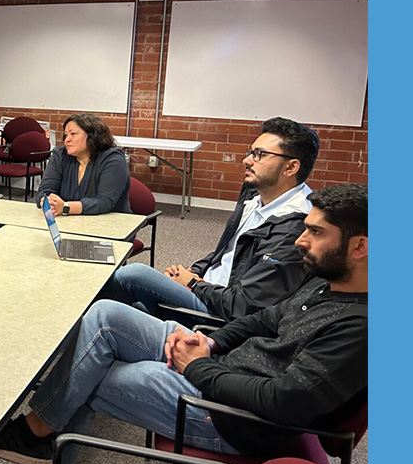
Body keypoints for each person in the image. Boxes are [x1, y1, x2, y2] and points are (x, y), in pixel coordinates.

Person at [0, 183, 368, 464]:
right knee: (105, 314)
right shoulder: (326, 281)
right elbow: (262, 318)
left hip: (230, 417)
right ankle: (38, 435)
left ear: (359, 247)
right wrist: (211, 343)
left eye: (316, 232)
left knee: (92, 373)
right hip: (220, 365)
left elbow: (282, 402)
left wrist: (197, 367)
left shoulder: (359, 328)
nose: (301, 240)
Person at [103, 116, 321, 322]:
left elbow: (245, 305)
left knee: (131, 275)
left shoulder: (296, 226)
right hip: (207, 289)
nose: (247, 160)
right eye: (250, 152)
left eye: (259, 154)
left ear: (291, 167)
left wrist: (192, 283)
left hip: (219, 312)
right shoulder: (256, 196)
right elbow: (225, 254)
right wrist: (192, 272)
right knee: (115, 310)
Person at [36, 114, 131, 216]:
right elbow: (44, 191)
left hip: (110, 225)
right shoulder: (60, 156)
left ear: (92, 136)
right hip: (69, 222)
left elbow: (104, 202)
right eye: (66, 135)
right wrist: (49, 202)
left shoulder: (113, 159)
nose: (67, 140)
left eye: (73, 134)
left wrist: (65, 207)